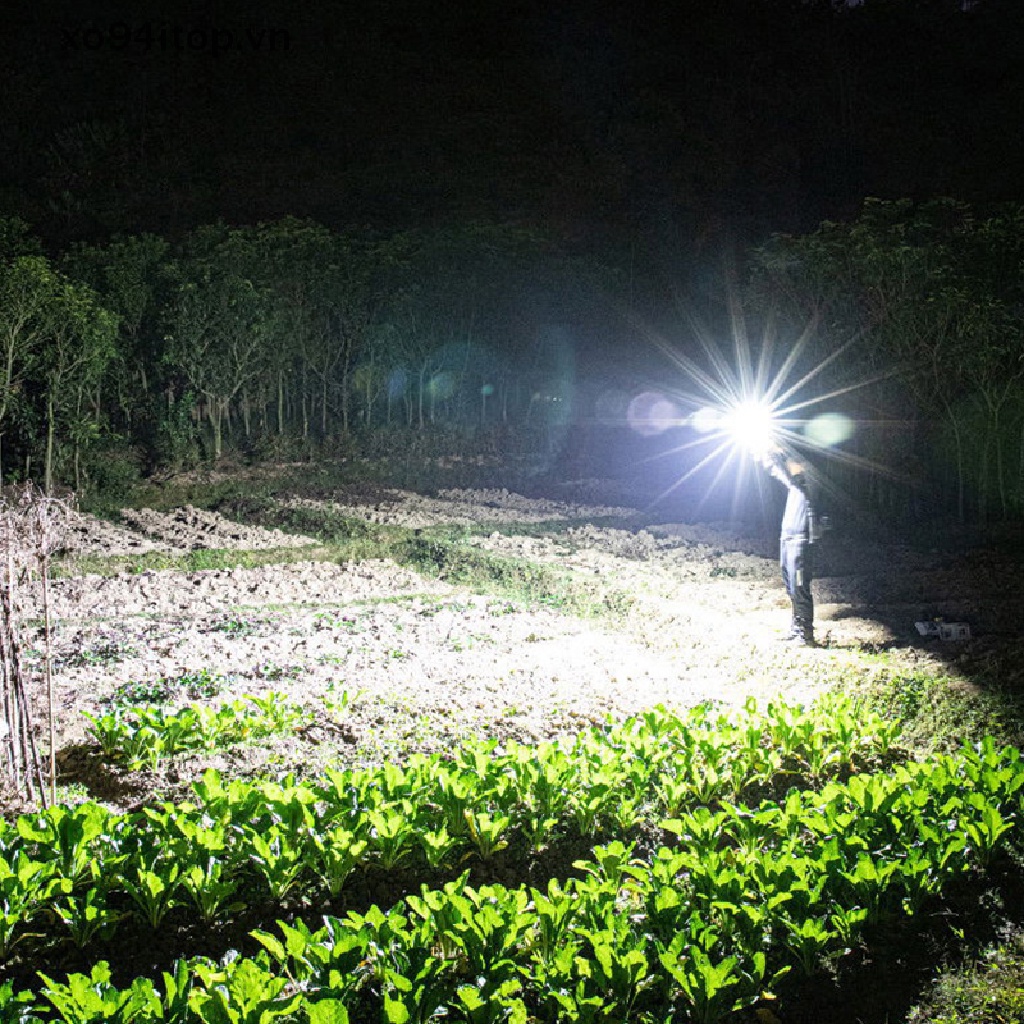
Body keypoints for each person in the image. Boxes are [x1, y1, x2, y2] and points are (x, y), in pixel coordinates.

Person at [760, 446, 816, 646]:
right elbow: (776, 470)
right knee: (790, 584)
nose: (788, 465)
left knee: (800, 585)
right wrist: (762, 452)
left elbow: (791, 463)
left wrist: (781, 451)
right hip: (788, 539)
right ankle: (796, 627)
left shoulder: (809, 484)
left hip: (800, 541)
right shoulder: (795, 484)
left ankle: (805, 633)